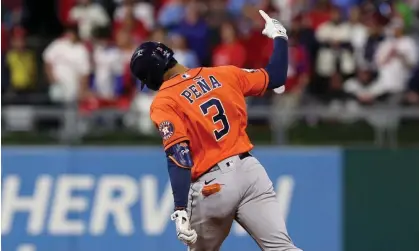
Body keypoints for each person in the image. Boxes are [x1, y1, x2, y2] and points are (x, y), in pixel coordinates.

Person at [130, 10, 300, 251]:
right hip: (251, 171)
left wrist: (180, 208)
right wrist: (280, 37)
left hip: (213, 184)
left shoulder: (164, 100)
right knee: (282, 248)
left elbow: (179, 154)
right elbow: (276, 77)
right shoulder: (223, 73)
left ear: (151, 75)